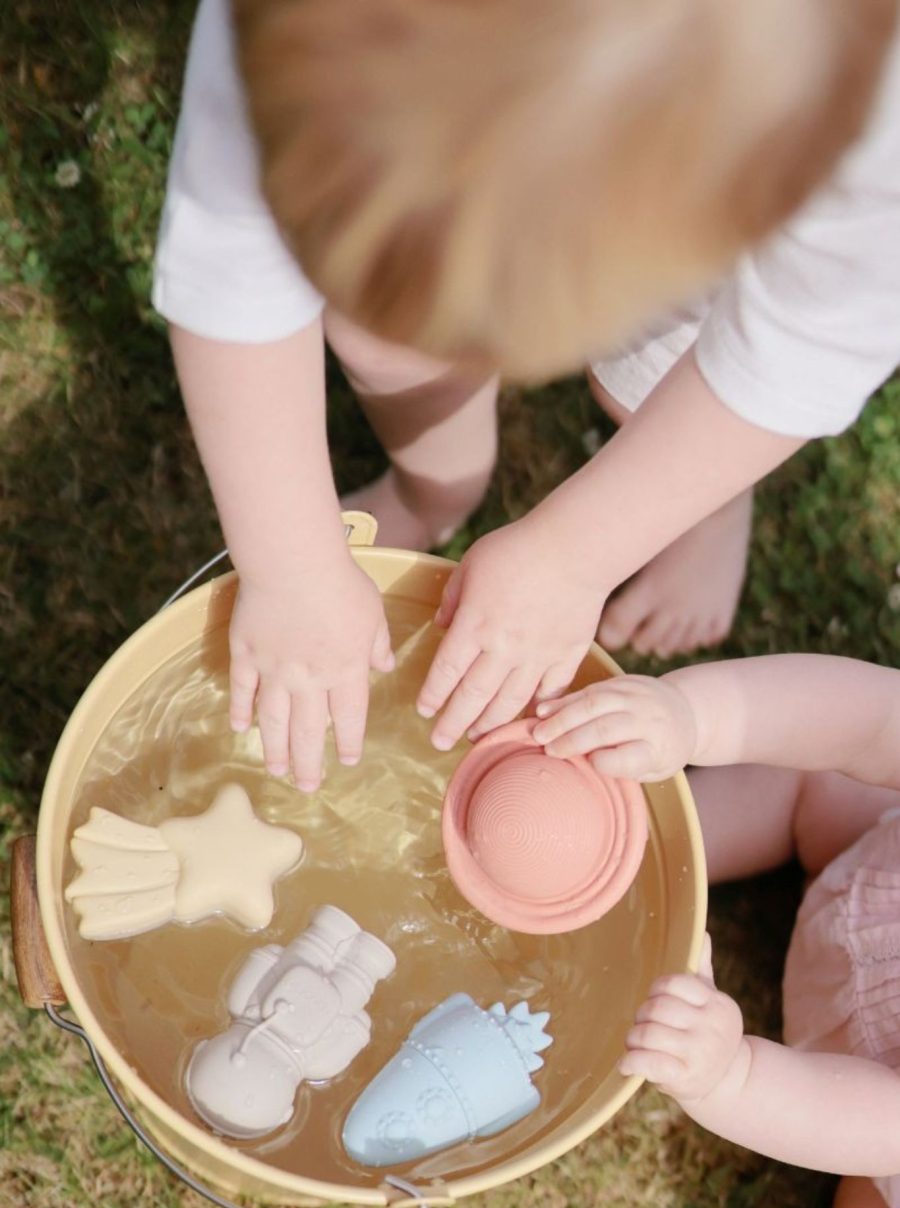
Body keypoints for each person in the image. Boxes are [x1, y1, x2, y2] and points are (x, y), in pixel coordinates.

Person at [154, 0, 900, 789]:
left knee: (661, 396)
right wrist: (291, 568)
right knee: (385, 341)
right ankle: (435, 483)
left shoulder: (865, 142)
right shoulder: (307, 43)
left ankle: (711, 509)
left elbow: (790, 360)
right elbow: (230, 268)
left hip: (720, 237)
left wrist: (576, 559)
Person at [529, 655, 900, 1208]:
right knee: (814, 777)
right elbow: (873, 720)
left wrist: (732, 1075)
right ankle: (626, 851)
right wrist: (696, 717)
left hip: (878, 1153)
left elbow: (860, 1118)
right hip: (861, 869)